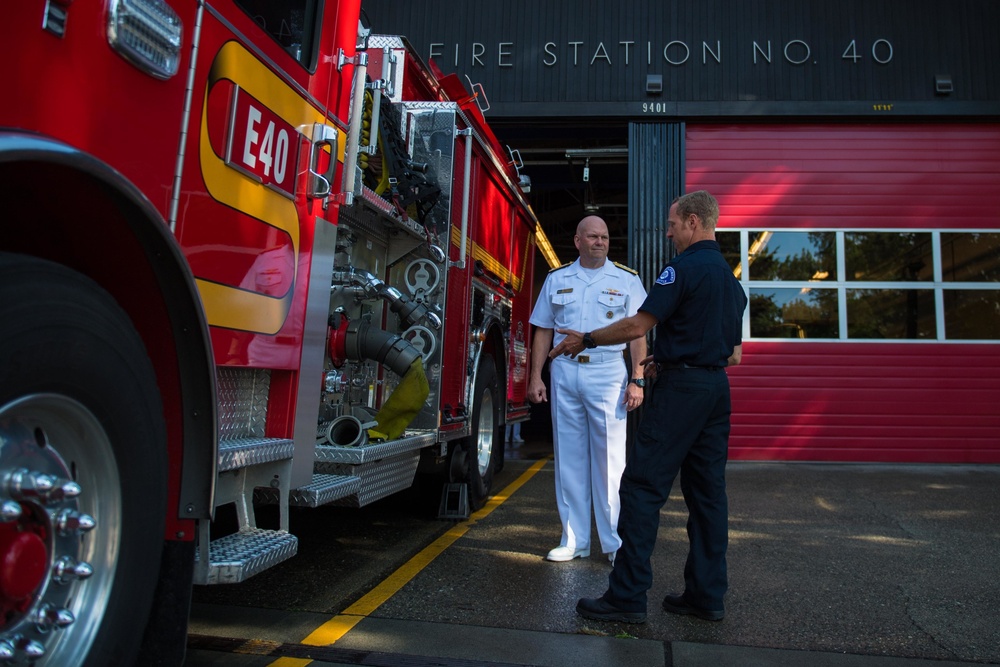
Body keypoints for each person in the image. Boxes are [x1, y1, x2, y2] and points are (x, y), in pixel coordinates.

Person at [550, 191, 747, 623]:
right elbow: (734, 355)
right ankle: (706, 595)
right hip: (716, 390)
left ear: (694, 222)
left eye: (673, 224)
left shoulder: (681, 269)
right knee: (708, 496)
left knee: (640, 488)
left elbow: (638, 324)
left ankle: (626, 597)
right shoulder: (730, 281)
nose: (669, 232)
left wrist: (585, 338)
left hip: (681, 394)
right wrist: (670, 357)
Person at [528, 215, 648, 564]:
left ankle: (613, 544)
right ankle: (574, 540)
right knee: (569, 458)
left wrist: (637, 378)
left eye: (605, 237)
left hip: (608, 372)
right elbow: (543, 330)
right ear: (578, 241)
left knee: (611, 461)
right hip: (564, 373)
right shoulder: (557, 278)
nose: (600, 242)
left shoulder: (626, 280)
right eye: (593, 236)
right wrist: (536, 376)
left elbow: (639, 332)